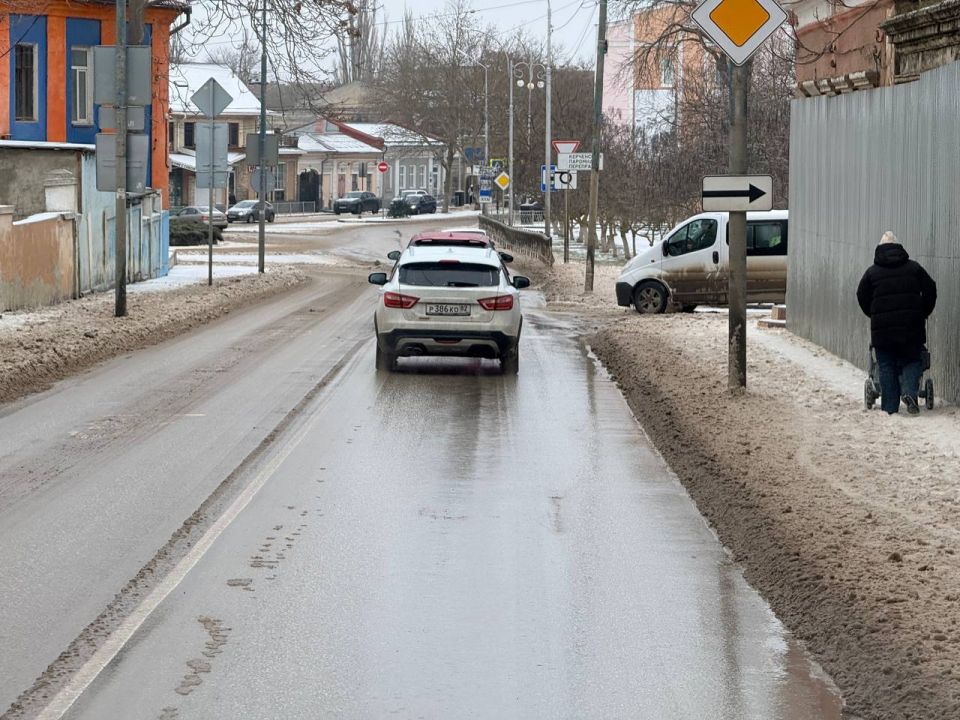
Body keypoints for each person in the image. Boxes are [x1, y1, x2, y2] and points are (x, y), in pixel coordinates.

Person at [856, 231, 937, 414]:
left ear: (879, 250)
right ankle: (909, 392)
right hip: (911, 327)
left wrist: (874, 314)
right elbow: (930, 288)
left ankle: (890, 409)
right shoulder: (914, 268)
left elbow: (861, 295)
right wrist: (923, 311)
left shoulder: (871, 273)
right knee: (913, 360)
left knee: (886, 366)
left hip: (882, 332)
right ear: (899, 248)